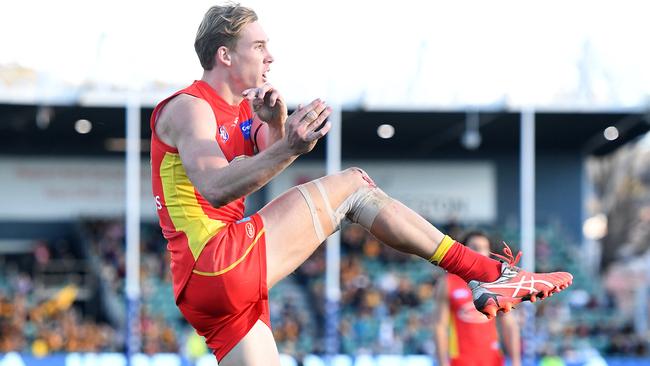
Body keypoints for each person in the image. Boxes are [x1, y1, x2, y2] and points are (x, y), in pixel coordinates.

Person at [149, 4, 573, 365]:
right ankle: (486, 273)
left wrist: (276, 125)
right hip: (216, 260)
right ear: (224, 54)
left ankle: (487, 277)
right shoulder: (190, 108)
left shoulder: (245, 109)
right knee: (353, 186)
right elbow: (216, 187)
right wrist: (290, 147)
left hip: (208, 288)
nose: (270, 57)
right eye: (259, 46)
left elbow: (268, 157)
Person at [434, 231, 522, 366]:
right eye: (474, 248)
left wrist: (516, 362)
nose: (479, 252)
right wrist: (442, 362)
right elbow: (440, 326)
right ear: (464, 251)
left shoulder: (498, 284)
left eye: (483, 248)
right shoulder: (447, 283)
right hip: (460, 361)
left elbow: (509, 325)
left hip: (492, 360)